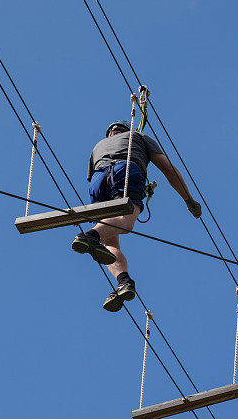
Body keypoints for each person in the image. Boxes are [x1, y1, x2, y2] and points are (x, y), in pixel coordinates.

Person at [71, 120, 201, 312]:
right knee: (126, 221)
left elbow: (93, 178)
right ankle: (89, 236)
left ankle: (123, 281)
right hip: (124, 170)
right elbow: (168, 169)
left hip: (98, 181)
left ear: (109, 134)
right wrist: (189, 199)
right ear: (127, 130)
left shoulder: (97, 146)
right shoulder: (139, 137)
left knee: (110, 243)